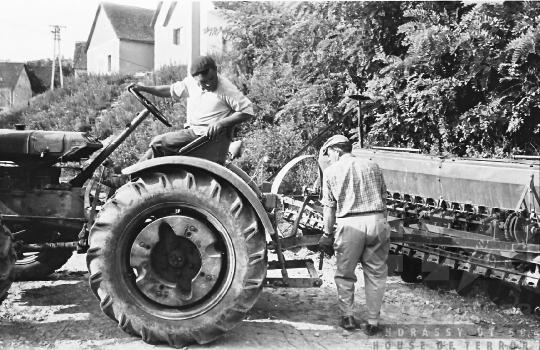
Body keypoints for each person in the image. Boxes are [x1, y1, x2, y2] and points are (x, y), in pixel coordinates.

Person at [317, 135, 391, 336]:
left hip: (350, 225)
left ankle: (348, 316)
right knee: (376, 273)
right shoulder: (373, 167)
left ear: (336, 151)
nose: (328, 158)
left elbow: (329, 209)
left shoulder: (331, 172)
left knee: (345, 273)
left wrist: (327, 234)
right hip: (377, 221)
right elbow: (384, 198)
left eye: (329, 153)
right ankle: (373, 322)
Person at [128, 55, 255, 161]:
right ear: (195, 79)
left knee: (158, 142)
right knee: (157, 147)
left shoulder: (226, 89)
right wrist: (144, 89)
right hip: (193, 133)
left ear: (216, 70)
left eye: (212, 78)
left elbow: (247, 111)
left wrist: (221, 123)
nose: (209, 83)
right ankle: (133, 176)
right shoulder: (191, 83)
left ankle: (131, 178)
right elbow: (170, 90)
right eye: (204, 81)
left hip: (204, 139)